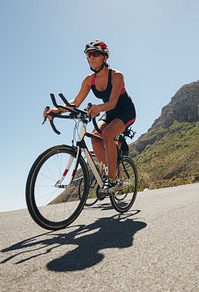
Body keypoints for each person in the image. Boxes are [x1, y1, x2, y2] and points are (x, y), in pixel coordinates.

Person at [45, 40, 136, 193]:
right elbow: (75, 102)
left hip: (125, 111)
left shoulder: (116, 76)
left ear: (105, 57)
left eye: (95, 54)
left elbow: (113, 102)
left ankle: (112, 181)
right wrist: (57, 110)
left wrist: (98, 108)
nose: (91, 58)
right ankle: (108, 172)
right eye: (88, 55)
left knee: (107, 134)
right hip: (109, 113)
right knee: (94, 136)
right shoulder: (89, 80)